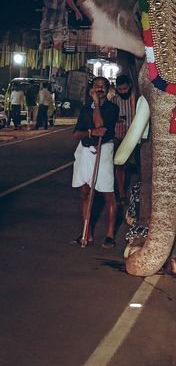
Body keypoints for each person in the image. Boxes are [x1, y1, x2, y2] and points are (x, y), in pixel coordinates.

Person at [71, 76, 118, 248]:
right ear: (92, 89)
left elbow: (102, 126)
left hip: (103, 150)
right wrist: (91, 132)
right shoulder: (84, 109)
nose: (99, 89)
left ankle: (110, 234)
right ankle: (87, 232)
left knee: (107, 194)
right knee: (84, 192)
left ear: (107, 89)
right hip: (85, 151)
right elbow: (77, 133)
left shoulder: (112, 108)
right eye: (96, 86)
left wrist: (97, 106)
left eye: (103, 86)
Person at [110, 73, 137, 204]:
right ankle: (121, 194)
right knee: (120, 166)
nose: (123, 92)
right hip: (119, 137)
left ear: (130, 86)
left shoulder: (136, 99)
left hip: (135, 138)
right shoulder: (114, 101)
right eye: (120, 89)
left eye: (125, 89)